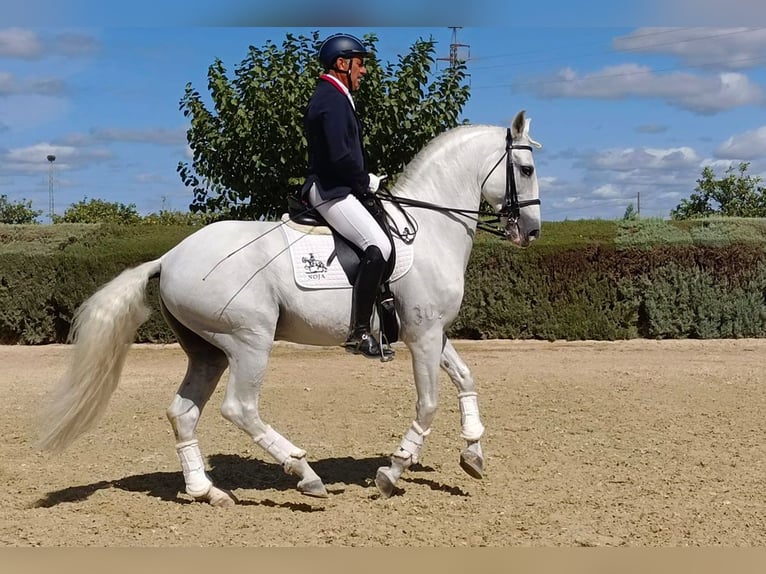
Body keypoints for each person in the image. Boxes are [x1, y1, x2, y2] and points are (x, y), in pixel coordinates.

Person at [301, 33, 393, 361]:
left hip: (338, 186)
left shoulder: (335, 96)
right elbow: (340, 157)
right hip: (331, 190)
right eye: (360, 63)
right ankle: (359, 331)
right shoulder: (331, 99)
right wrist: (365, 181)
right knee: (378, 246)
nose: (364, 71)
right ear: (342, 64)